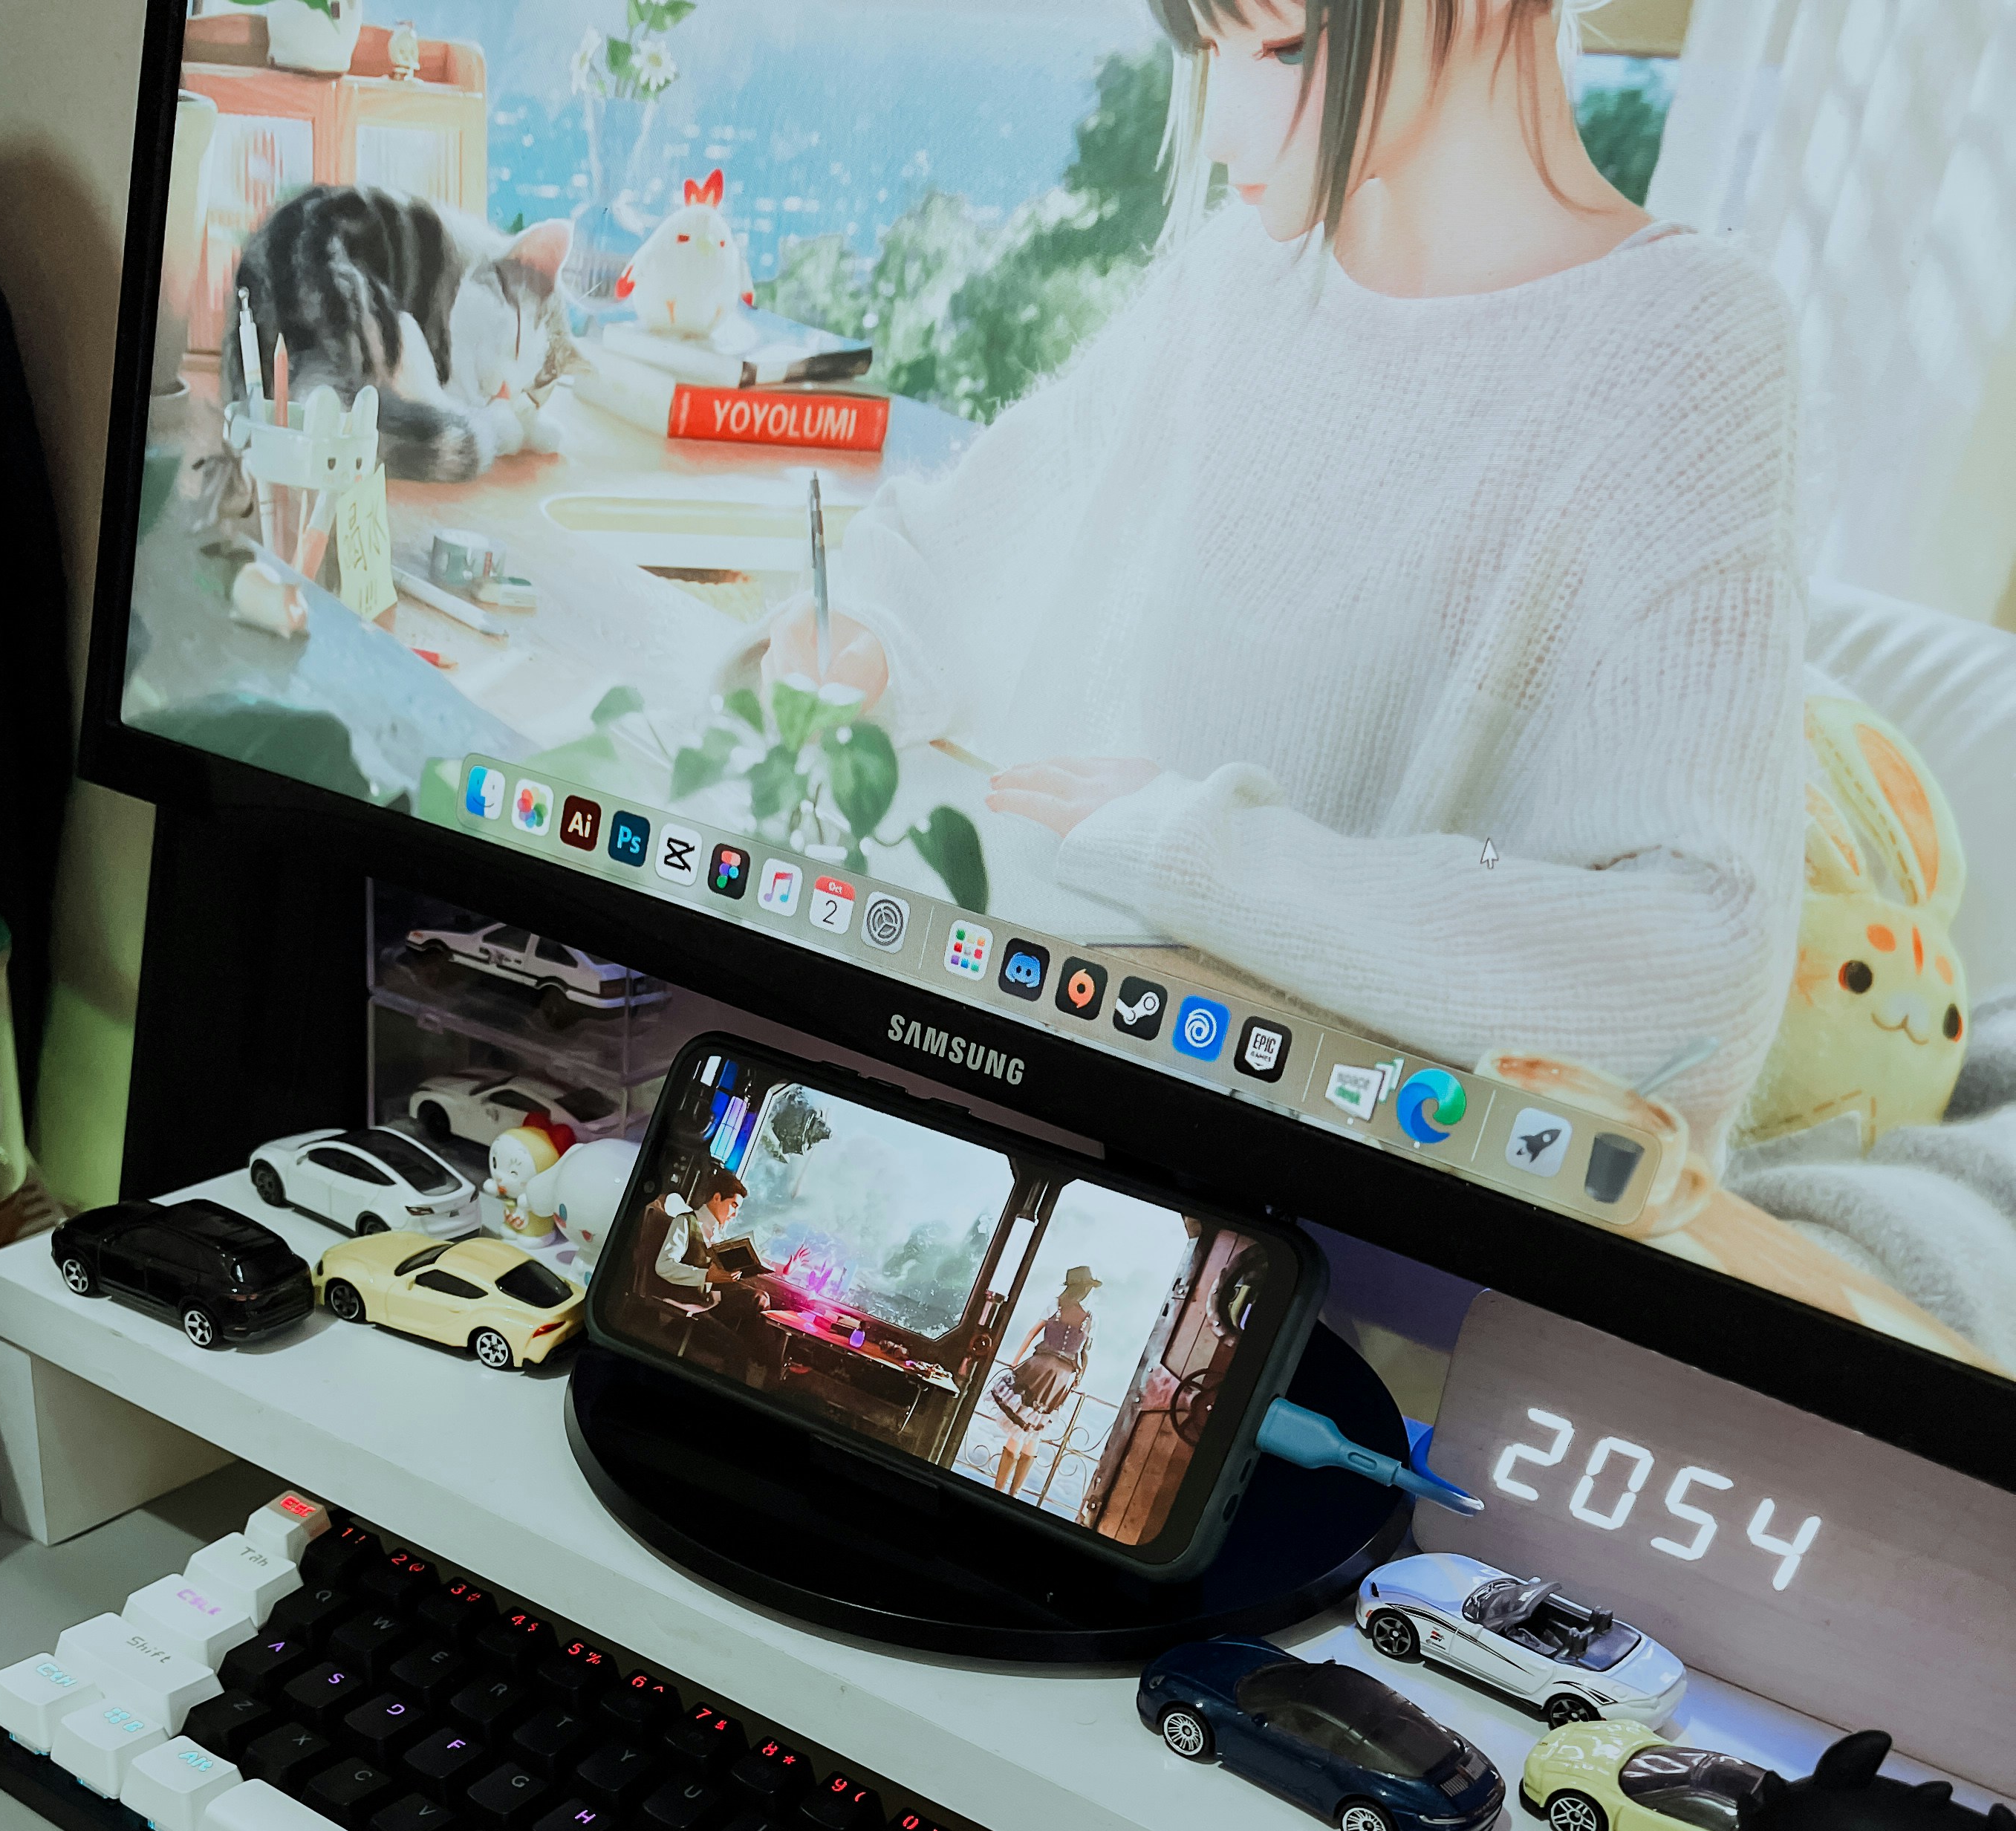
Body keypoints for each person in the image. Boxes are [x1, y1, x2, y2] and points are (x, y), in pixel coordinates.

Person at [762, 0, 1807, 1163]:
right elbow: (952, 553)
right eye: (1210, 47)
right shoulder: (1241, 281)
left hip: (1316, 1209)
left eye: (1287, 46)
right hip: (1029, 1094)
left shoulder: (1678, 345)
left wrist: (1200, 853)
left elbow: (1696, 985)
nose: (1221, 131)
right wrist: (861, 633)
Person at [988, 1265, 1099, 1498]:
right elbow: (1084, 1353)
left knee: (1021, 1424)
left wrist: (1015, 1362)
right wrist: (1078, 1378)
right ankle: (1014, 1493)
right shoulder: (1090, 1318)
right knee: (1035, 1428)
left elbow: (1032, 1333)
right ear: (1085, 1290)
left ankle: (999, 1491)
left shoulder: (1055, 1304)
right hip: (1062, 1378)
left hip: (1039, 1368)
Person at [654, 1166, 750, 1297]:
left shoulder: (721, 1236)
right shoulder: (685, 1222)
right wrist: (706, 1276)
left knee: (759, 1297)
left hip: (711, 1298)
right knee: (757, 1299)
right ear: (717, 1198)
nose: (735, 1215)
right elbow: (664, 1266)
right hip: (684, 1298)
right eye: (734, 1205)